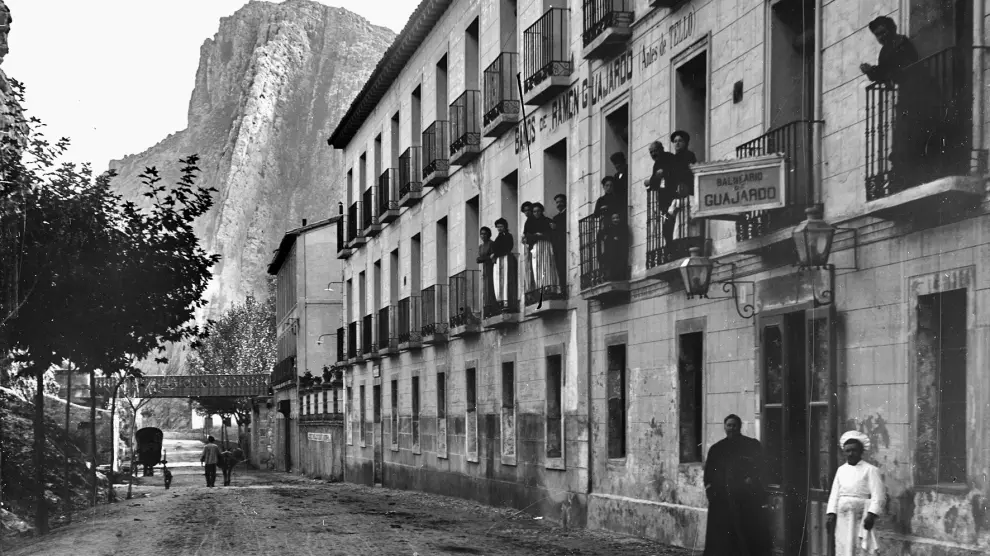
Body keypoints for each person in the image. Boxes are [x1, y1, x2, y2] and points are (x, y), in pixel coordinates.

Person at [860, 16, 923, 188]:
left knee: (906, 130)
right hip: (905, 93)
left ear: (891, 29)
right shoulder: (885, 50)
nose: (881, 37)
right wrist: (870, 71)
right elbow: (883, 73)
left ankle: (904, 171)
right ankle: (900, 170)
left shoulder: (901, 43)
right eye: (877, 35)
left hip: (914, 91)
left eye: (882, 32)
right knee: (902, 131)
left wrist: (879, 73)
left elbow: (900, 68)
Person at [703, 414, 771, 556]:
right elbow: (709, 474)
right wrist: (712, 494)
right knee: (723, 539)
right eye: (729, 425)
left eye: (734, 425)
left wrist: (752, 480)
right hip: (723, 501)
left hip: (746, 501)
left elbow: (761, 467)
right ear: (724, 427)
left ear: (740, 427)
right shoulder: (717, 449)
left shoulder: (751, 445)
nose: (731, 428)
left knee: (747, 536)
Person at [827, 431, 885, 556]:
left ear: (861, 452)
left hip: (860, 518)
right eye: (847, 450)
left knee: (859, 549)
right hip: (842, 518)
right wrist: (831, 513)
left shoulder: (870, 470)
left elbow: (878, 495)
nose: (851, 453)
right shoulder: (841, 470)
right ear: (844, 452)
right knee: (843, 546)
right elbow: (834, 493)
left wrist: (871, 514)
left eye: (854, 450)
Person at [523, 202, 560, 295]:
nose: (536, 213)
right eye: (534, 211)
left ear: (542, 211)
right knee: (537, 267)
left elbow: (552, 234)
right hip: (535, 247)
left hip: (546, 246)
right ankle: (540, 288)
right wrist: (536, 236)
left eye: (538, 211)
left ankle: (549, 287)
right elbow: (527, 237)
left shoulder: (547, 221)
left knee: (547, 265)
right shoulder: (529, 223)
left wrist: (540, 235)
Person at [596, 212, 628, 281]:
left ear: (619, 219)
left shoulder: (623, 228)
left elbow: (625, 238)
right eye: (613, 218)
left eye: (617, 218)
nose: (615, 220)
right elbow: (603, 238)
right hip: (611, 254)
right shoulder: (608, 229)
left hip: (620, 253)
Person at [492, 218, 515, 305]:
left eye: (501, 226)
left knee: (505, 278)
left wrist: (495, 254)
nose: (499, 228)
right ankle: (500, 300)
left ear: (505, 226)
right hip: (499, 259)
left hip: (505, 258)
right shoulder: (499, 236)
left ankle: (505, 300)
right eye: (498, 227)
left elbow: (507, 247)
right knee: (499, 279)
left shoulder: (508, 236)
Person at [477, 226, 497, 314]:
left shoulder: (492, 244)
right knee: (485, 288)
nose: (483, 236)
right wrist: (486, 258)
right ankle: (487, 307)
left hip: (491, 267)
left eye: (485, 234)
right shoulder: (480, 247)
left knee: (491, 286)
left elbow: (493, 256)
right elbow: (478, 259)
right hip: (484, 268)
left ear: (488, 234)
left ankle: (492, 307)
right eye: (481, 234)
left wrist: (485, 258)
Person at [551, 194, 567, 287]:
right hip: (558, 246)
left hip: (564, 244)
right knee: (560, 268)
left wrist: (556, 227)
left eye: (561, 201)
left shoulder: (567, 214)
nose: (559, 204)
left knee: (563, 266)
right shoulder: (555, 217)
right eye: (557, 202)